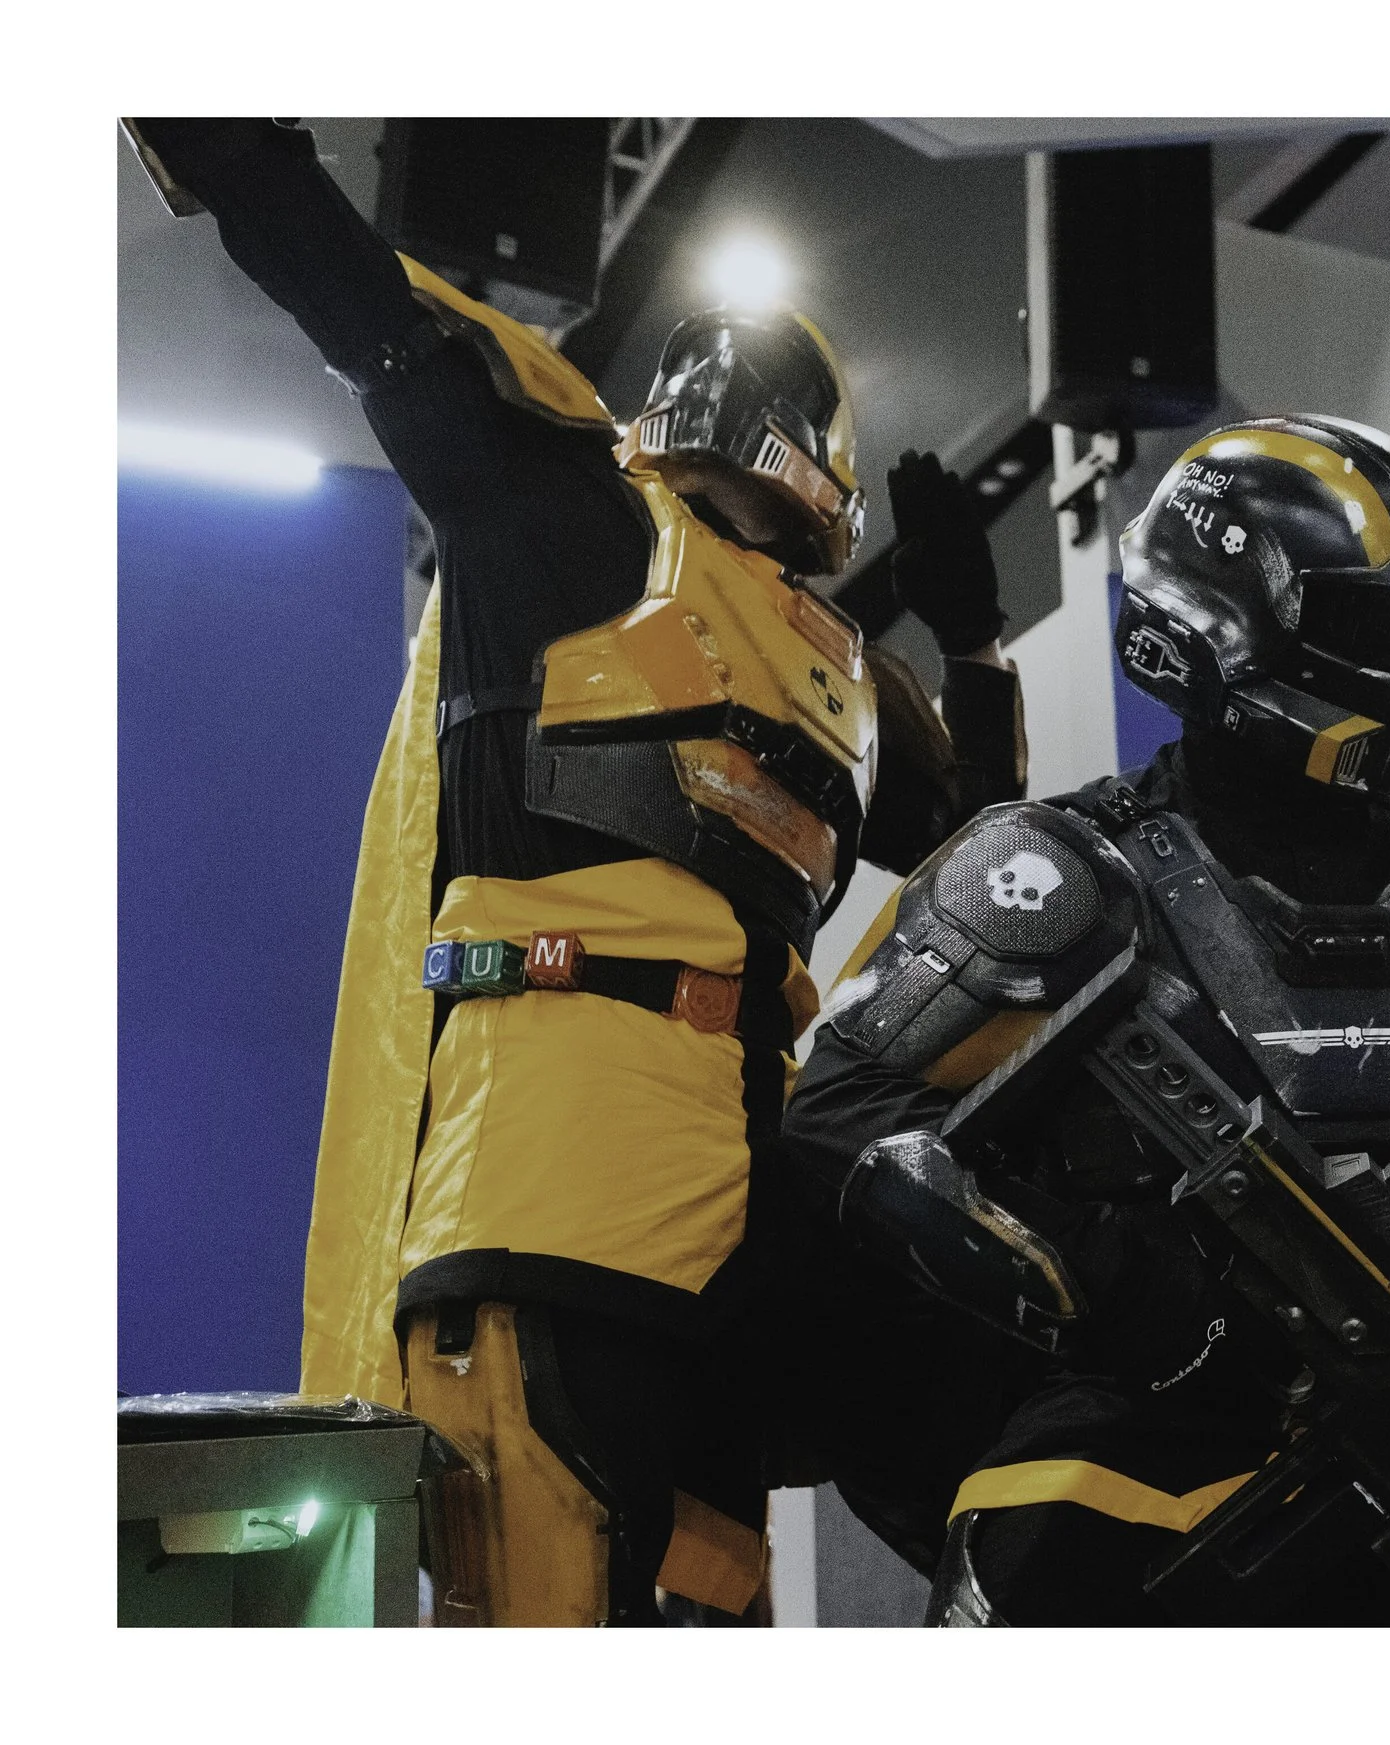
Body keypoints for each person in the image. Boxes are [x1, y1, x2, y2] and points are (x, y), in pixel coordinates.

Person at [124, 119, 1028, 1625]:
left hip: (737, 1195)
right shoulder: (561, 511)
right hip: (556, 1188)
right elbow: (356, 297)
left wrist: (979, 647)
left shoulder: (842, 677)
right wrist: (219, 131)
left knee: (728, 1598)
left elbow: (995, 876)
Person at [779, 415, 1390, 1624]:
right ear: (1220, 624)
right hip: (1141, 1435)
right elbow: (844, 1111)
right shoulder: (1061, 865)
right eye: (1380, 629)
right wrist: (1116, 1285)